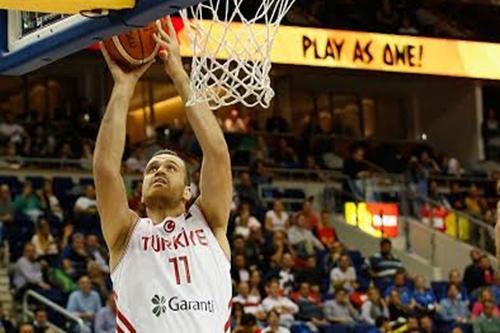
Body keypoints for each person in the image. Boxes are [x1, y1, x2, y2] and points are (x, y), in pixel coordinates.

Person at [94, 17, 232, 332]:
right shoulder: (126, 233)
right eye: (152, 168)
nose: (159, 171)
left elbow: (218, 155)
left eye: (171, 167)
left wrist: (178, 72)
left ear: (188, 191)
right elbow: (105, 170)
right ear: (140, 193)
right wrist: (124, 85)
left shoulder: (209, 221)